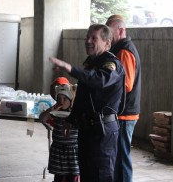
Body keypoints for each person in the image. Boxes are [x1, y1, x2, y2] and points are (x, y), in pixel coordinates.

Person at [49, 24, 125, 182]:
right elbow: (83, 96)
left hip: (102, 131)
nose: (88, 41)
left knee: (100, 175)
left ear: (107, 43)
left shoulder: (112, 64)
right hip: (87, 128)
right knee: (88, 174)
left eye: (93, 38)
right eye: (87, 37)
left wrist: (71, 69)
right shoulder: (91, 63)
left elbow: (100, 80)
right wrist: (71, 120)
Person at [106, 16, 141, 182]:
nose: (108, 38)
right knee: (118, 156)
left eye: (110, 33)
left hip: (125, 114)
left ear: (120, 31)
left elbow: (125, 85)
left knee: (121, 158)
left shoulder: (125, 51)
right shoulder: (120, 49)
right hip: (123, 113)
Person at [39, 77, 79, 182]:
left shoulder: (76, 113)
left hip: (72, 151)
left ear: (71, 100)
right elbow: (42, 118)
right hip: (58, 150)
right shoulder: (55, 113)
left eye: (65, 99)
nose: (61, 101)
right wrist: (52, 109)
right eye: (59, 98)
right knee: (58, 178)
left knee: (72, 178)